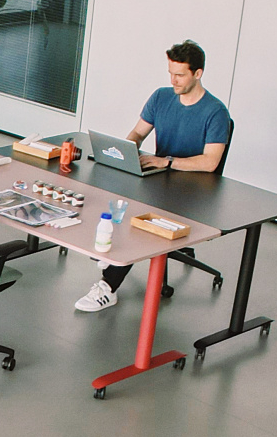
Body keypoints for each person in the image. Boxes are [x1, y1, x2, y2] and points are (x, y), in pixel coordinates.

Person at [75, 39, 229, 312]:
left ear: (198, 73)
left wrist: (166, 162)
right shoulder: (161, 96)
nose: (174, 80)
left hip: (193, 190)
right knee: (109, 192)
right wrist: (122, 152)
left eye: (180, 74)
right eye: (170, 72)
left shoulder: (215, 112)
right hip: (159, 178)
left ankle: (107, 288)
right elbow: (137, 134)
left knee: (138, 222)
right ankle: (110, 249)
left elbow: (210, 162)